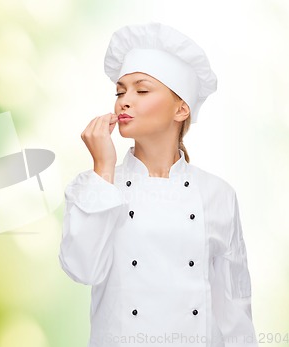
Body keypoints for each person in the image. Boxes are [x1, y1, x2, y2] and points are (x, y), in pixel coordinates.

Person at [58, 23, 258, 347]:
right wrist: (103, 169)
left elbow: (235, 311)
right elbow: (83, 270)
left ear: (181, 109)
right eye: (120, 91)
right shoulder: (97, 187)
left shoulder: (218, 195)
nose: (124, 101)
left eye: (142, 89)